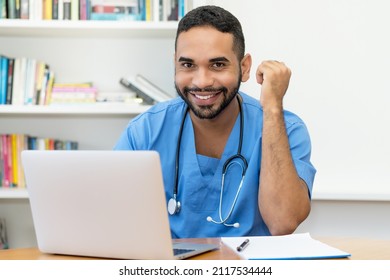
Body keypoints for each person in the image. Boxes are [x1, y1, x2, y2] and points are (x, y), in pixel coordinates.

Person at [115, 5, 316, 238]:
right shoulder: (144, 131)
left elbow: (283, 222)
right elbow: (111, 217)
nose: (201, 81)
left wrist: (272, 107)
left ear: (244, 67)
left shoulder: (287, 130)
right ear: (175, 64)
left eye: (218, 65)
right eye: (188, 65)